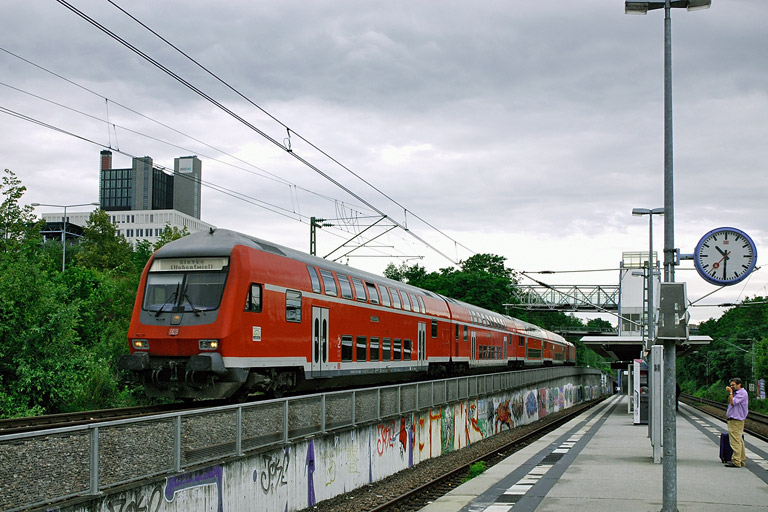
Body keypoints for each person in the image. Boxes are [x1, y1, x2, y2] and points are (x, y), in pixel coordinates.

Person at [725, 377, 748, 468]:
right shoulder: (737, 393)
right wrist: (732, 393)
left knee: (735, 441)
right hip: (735, 420)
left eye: (733, 385)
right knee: (739, 440)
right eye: (731, 385)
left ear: (739, 384)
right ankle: (741, 460)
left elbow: (732, 403)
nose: (732, 387)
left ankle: (736, 461)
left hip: (736, 420)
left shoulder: (742, 393)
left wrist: (730, 392)